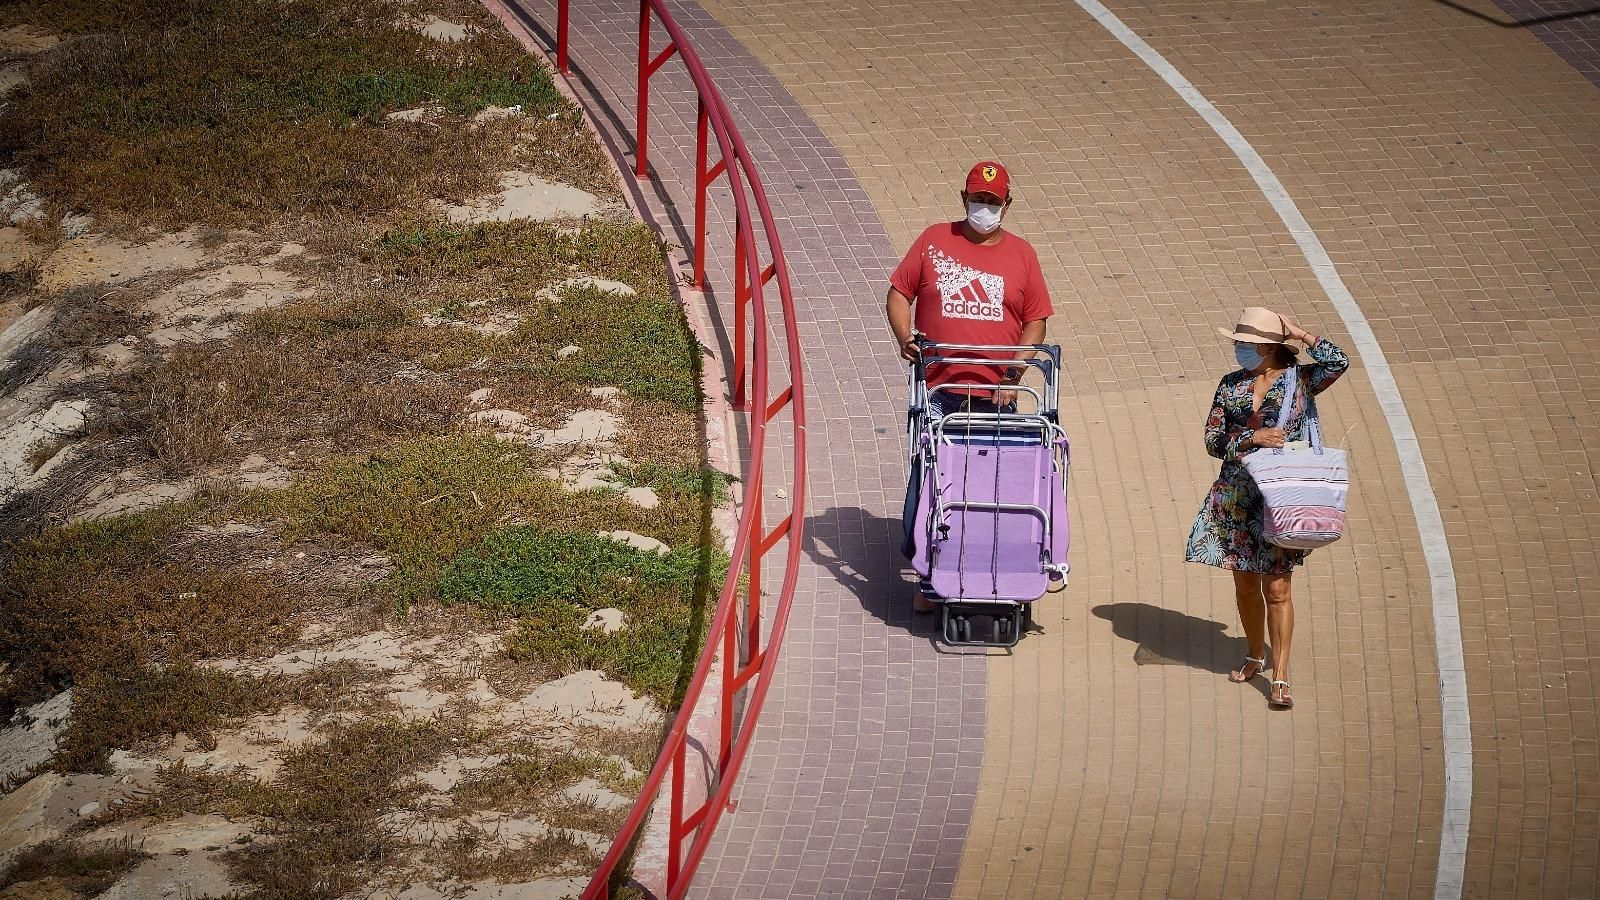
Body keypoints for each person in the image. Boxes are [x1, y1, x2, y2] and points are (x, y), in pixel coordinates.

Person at [887, 161, 1054, 611]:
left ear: (1007, 205)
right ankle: (926, 572)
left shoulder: (1022, 255)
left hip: (996, 393)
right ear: (964, 199)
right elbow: (900, 293)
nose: (984, 208)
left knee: (994, 484)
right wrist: (906, 339)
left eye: (992, 202)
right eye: (977, 200)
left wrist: (1013, 374)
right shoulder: (934, 241)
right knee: (933, 476)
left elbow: (1035, 320)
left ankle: (996, 568)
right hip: (940, 388)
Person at [1185, 307, 1349, 709]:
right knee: (1243, 582)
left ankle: (1281, 675)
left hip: (1280, 498)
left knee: (1277, 588)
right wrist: (1250, 439)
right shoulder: (1231, 385)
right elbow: (1211, 440)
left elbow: (1338, 360)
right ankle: (1255, 654)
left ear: (1268, 346)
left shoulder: (1301, 380)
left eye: (1245, 344)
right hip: (1237, 496)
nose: (1239, 349)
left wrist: (1301, 333)